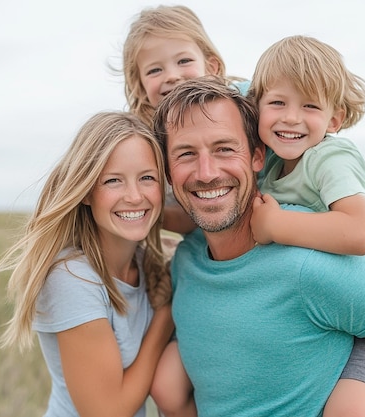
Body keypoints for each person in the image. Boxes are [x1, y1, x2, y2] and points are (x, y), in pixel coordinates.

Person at [152, 76, 365, 417]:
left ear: (258, 156)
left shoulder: (309, 260)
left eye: (224, 149)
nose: (207, 172)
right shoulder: (187, 260)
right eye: (185, 154)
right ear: (168, 172)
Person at [247, 35, 365, 416]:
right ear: (256, 107)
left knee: (353, 402)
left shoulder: (330, 156)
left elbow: (357, 234)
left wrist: (275, 225)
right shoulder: (271, 162)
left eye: (310, 106)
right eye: (277, 102)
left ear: (335, 119)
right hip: (341, 290)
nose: (291, 117)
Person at [0, 112, 174, 417]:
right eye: (113, 180)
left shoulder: (146, 262)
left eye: (147, 178)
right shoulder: (71, 278)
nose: (134, 196)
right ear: (87, 191)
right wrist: (166, 315)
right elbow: (108, 412)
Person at [118, 6, 244, 416]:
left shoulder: (242, 103)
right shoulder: (150, 136)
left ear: (212, 64)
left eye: (183, 61)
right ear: (139, 85)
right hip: (204, 257)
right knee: (168, 388)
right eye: (154, 70)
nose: (170, 75)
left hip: (259, 239)